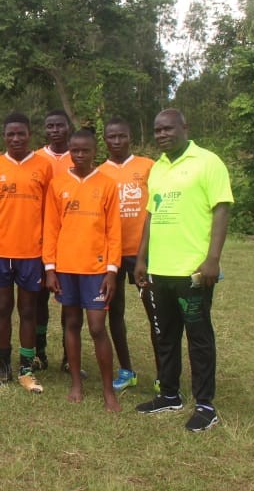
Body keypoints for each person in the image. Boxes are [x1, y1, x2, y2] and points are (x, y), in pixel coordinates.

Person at [134, 109, 232, 432]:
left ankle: (205, 405)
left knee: (198, 337)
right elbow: (151, 215)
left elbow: (221, 209)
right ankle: (169, 394)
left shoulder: (208, 162)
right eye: (157, 130)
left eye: (167, 128)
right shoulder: (158, 168)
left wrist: (213, 258)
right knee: (165, 335)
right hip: (160, 270)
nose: (162, 134)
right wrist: (141, 259)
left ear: (184, 127)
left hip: (193, 272)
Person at [44, 129, 122, 411]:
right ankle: (76, 383)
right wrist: (50, 268)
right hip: (66, 267)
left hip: (96, 268)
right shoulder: (58, 184)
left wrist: (112, 270)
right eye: (74, 150)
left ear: (94, 151)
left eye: (85, 150)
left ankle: (108, 390)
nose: (79, 155)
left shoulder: (107, 184)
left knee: (98, 327)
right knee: (72, 323)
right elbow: (51, 228)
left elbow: (114, 230)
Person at [0, 112, 53, 393]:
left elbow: (49, 210)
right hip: (1, 250)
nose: (16, 138)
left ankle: (25, 369)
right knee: (3, 308)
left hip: (31, 251)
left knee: (28, 310)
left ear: (29, 135)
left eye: (21, 133)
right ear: (4, 136)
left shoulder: (43, 166)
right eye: (10, 134)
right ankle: (4, 366)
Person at [99, 117, 156, 392]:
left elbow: (156, 208)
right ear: (105, 140)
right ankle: (126, 370)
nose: (117, 141)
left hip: (143, 252)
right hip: (112, 254)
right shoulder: (99, 173)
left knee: (155, 313)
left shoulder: (148, 166)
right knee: (115, 312)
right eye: (111, 136)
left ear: (130, 137)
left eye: (121, 136)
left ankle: (163, 374)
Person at [34, 109, 72, 373]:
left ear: (68, 127)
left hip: (70, 239)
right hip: (40, 239)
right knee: (39, 299)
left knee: (69, 301)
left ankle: (69, 356)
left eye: (60, 125)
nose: (55, 130)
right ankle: (39, 352)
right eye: (50, 126)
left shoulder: (79, 154)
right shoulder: (36, 158)